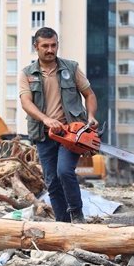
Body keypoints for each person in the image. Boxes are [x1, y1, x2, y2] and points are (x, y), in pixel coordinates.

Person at [19, 27, 98, 224]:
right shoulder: (27, 74)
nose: (50, 49)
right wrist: (45, 119)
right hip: (44, 135)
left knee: (64, 171)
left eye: (53, 45)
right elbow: (26, 102)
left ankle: (77, 215)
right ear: (36, 47)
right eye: (45, 46)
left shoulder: (71, 68)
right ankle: (62, 223)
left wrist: (91, 116)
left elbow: (89, 94)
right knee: (52, 182)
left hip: (71, 134)